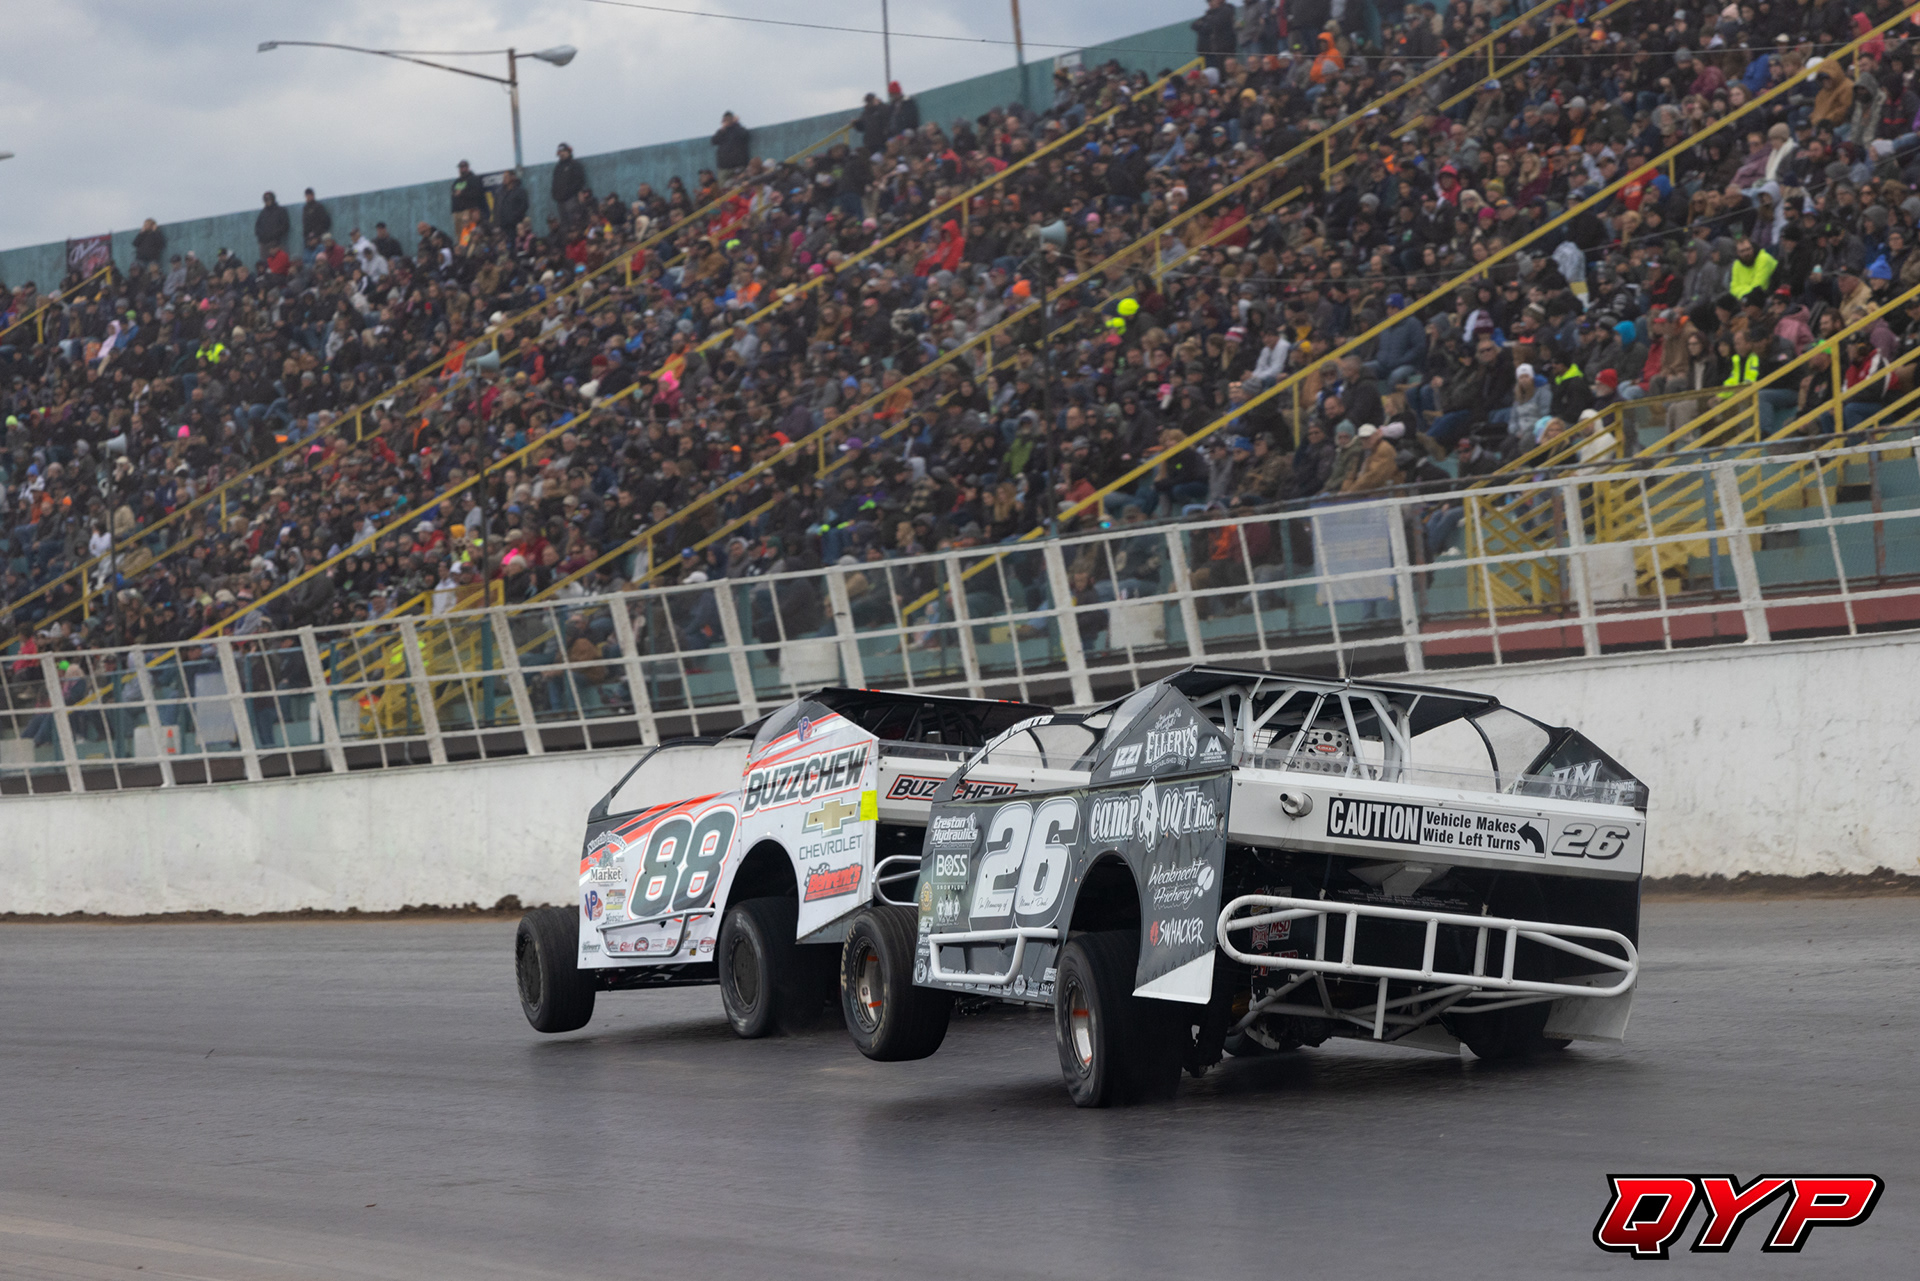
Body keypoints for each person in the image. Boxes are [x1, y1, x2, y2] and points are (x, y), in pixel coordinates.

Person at [1192, 0, 1237, 72]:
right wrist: (1204, 24)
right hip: (1211, 50)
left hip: (1223, 48)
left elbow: (1213, 24)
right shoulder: (1209, 14)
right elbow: (1193, 25)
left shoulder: (1226, 10)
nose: (1209, 3)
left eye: (1211, 1)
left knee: (1222, 71)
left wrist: (1203, 24)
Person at [450, 160, 489, 237]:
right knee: (460, 235)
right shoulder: (456, 182)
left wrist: (462, 193)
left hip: (468, 211)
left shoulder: (474, 179)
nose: (462, 169)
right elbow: (453, 194)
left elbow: (477, 193)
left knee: (469, 234)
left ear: (468, 167)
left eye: (464, 167)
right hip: (457, 213)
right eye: (461, 167)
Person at [712, 112, 751, 179]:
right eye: (724, 120)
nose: (726, 121)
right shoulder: (722, 131)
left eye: (728, 119)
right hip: (723, 167)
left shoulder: (737, 129)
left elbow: (745, 135)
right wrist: (722, 129)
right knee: (723, 188)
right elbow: (714, 141)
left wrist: (736, 123)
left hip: (738, 166)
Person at [551, 142, 587, 209]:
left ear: (568, 152)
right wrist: (555, 195)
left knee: (574, 217)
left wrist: (577, 192)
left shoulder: (575, 165)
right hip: (560, 201)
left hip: (572, 199)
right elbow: (554, 183)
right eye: (560, 152)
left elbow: (580, 180)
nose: (562, 154)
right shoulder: (558, 168)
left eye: (564, 151)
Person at [254, 191, 290, 257]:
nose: (267, 202)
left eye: (269, 199)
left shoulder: (281, 211)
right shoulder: (263, 213)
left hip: (277, 243)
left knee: (279, 261)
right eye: (266, 200)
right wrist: (262, 237)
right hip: (264, 244)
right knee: (266, 264)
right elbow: (257, 228)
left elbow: (285, 226)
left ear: (273, 199)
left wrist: (274, 235)